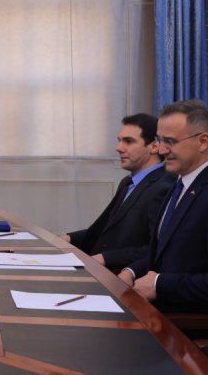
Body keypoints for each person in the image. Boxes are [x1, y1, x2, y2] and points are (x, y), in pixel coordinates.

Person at [119, 99, 208, 315]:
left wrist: (159, 285)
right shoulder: (178, 184)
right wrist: (131, 271)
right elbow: (166, 255)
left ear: (203, 141)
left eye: (170, 141)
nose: (162, 150)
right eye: (160, 140)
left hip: (188, 323)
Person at [62, 113, 174, 269]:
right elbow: (105, 230)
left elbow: (158, 249)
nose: (119, 148)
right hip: (100, 270)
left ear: (154, 147)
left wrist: (106, 258)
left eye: (128, 141)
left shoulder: (164, 187)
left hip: (123, 277)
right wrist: (68, 238)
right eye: (119, 141)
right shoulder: (127, 182)